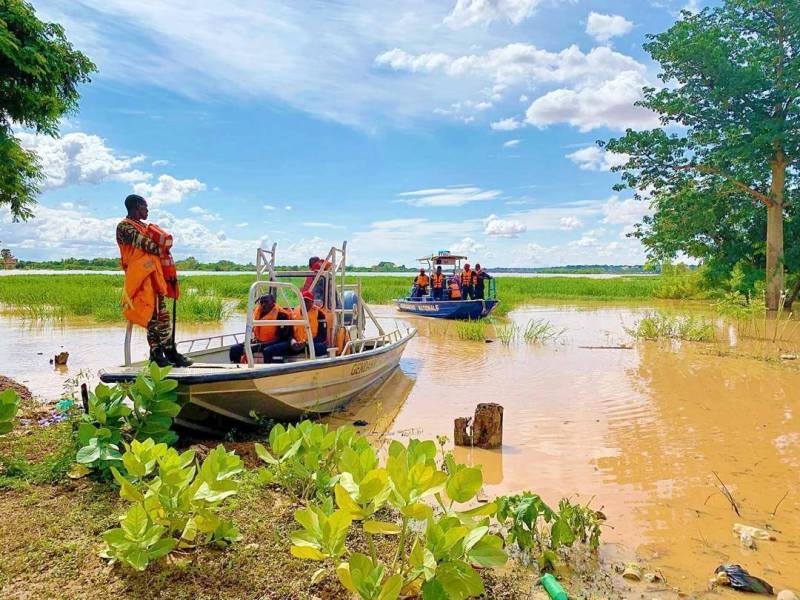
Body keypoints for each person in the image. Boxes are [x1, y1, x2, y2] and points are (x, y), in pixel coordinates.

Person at [116, 194, 192, 368]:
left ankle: (164, 353)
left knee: (161, 317)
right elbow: (149, 246)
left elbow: (159, 246)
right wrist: (162, 242)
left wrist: (162, 242)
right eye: (145, 207)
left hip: (154, 277)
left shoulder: (144, 226)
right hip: (139, 279)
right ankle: (162, 354)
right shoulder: (125, 227)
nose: (147, 210)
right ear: (136, 207)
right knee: (150, 317)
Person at [229, 294, 291, 364]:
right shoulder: (258, 312)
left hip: (275, 341)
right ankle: (237, 367)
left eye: (266, 302)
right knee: (234, 349)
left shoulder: (281, 315)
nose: (263, 304)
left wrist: (260, 345)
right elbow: (252, 330)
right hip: (258, 341)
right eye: (261, 302)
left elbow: (282, 337)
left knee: (267, 350)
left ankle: (267, 371)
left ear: (273, 302)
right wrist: (251, 341)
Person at [289, 290, 329, 358]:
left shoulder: (320, 314)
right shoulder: (294, 313)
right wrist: (292, 341)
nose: (304, 303)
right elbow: (289, 333)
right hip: (296, 344)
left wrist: (306, 343)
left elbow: (322, 336)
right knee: (271, 350)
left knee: (321, 347)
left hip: (312, 343)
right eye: (303, 300)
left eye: (307, 301)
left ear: (312, 302)